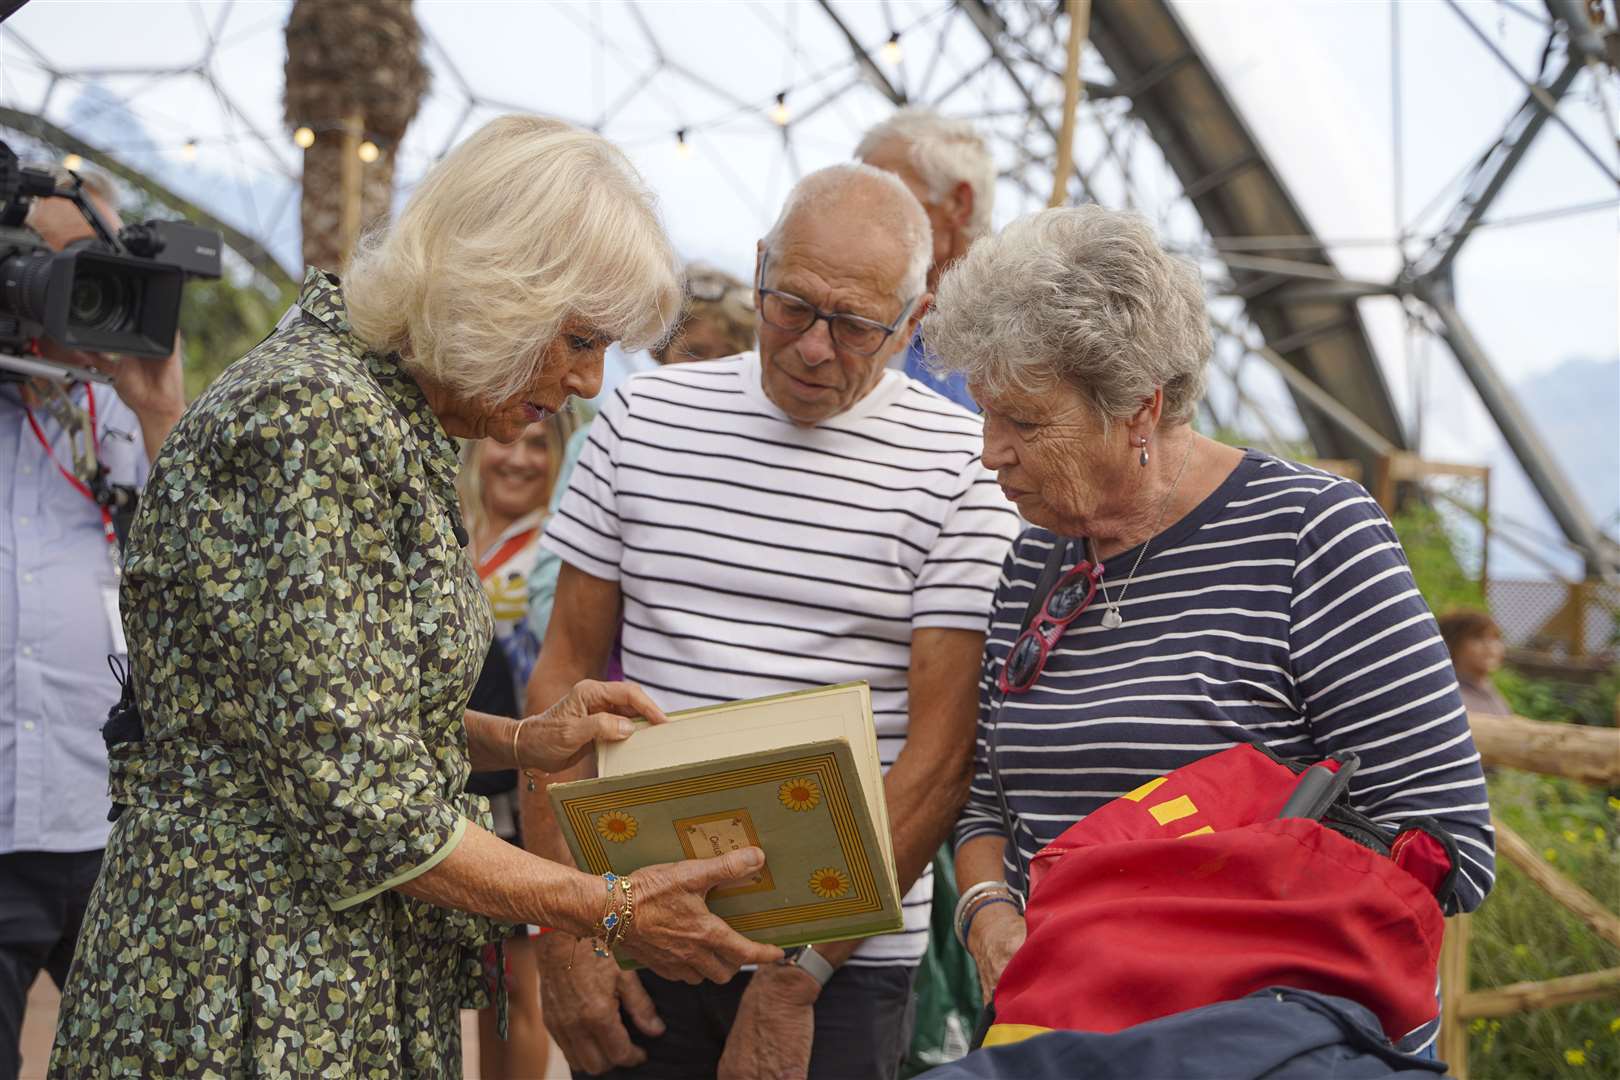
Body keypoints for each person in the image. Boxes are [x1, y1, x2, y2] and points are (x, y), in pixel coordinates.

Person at [47, 114, 782, 1079]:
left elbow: (322, 707)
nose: (588, 379)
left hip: (317, 959)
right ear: (498, 291)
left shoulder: (385, 409)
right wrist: (606, 907)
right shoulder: (319, 417)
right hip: (252, 972)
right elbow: (360, 796)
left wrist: (519, 741)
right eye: (578, 340)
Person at [923, 205, 1496, 1056]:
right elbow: (986, 802)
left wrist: (1176, 936)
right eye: (986, 412)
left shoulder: (1311, 535)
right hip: (1050, 1034)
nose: (989, 451)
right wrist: (988, 918)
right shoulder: (1035, 558)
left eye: (1026, 423)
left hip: (1251, 1044)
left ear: (1140, 410)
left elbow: (1448, 845)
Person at [522, 163, 1020, 1080]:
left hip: (845, 965)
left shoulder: (966, 467)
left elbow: (941, 759)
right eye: (791, 305)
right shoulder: (641, 418)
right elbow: (559, 681)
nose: (815, 348)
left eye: (858, 326)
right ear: (758, 270)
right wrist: (566, 930)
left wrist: (798, 978)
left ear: (915, 322)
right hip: (636, 922)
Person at [0, 167, 185, 1080]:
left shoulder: (127, 415)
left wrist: (158, 410)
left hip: (113, 833)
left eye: (100, 271)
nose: (83, 296)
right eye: (58, 269)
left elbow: (211, 580)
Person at [524, 262, 759, 649]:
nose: (710, 373)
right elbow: (550, 589)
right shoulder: (602, 440)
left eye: (729, 359)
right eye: (695, 353)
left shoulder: (754, 457)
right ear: (659, 353)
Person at [457, 411, 580, 1080]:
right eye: (508, 437)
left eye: (541, 444)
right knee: (486, 982)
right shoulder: (461, 538)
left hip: (526, 788)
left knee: (520, 986)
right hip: (463, 784)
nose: (520, 458)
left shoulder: (554, 551)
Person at [857, 108, 995, 412]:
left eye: (886, 192)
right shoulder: (851, 309)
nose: (860, 211)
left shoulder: (1013, 341)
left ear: (959, 203)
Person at [1437, 610, 1513, 716]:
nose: (1490, 646)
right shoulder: (1445, 695)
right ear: (1452, 643)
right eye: (1478, 637)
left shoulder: (1493, 694)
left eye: (1496, 638)